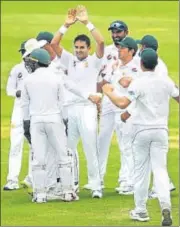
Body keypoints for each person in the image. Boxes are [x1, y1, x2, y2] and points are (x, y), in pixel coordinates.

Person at [102, 48, 179, 226]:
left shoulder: (138, 83)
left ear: (142, 64)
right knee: (160, 170)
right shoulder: (165, 81)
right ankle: (165, 206)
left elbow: (122, 103)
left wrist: (109, 92)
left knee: (141, 173)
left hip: (141, 132)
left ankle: (141, 210)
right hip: (161, 131)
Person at [51, 5, 104, 198]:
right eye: (77, 47)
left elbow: (101, 42)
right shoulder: (68, 60)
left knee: (90, 146)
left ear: (88, 49)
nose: (79, 50)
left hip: (87, 108)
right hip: (70, 109)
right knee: (69, 149)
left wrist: (86, 22)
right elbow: (54, 43)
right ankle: (70, 185)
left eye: (82, 48)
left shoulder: (95, 61)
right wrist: (66, 25)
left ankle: (96, 185)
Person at [21, 48, 86, 203]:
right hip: (54, 119)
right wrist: (64, 121)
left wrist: (26, 124)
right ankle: (68, 192)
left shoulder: (28, 80)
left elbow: (24, 104)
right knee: (63, 157)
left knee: (39, 158)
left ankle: (41, 194)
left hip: (36, 120)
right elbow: (62, 102)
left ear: (37, 62)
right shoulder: (56, 78)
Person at [83, 20, 129, 190]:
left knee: (125, 141)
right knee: (102, 139)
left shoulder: (132, 52)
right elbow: (98, 77)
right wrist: (97, 99)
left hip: (125, 102)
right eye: (113, 32)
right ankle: (97, 179)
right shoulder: (107, 52)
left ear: (126, 32)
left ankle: (125, 180)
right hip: (107, 102)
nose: (116, 35)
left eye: (119, 32)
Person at [134, 35, 176, 198]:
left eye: (140, 47)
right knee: (157, 158)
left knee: (148, 157)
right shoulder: (157, 63)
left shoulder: (154, 68)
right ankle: (164, 186)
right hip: (159, 118)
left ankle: (156, 191)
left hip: (149, 117)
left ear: (144, 48)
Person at [3, 41, 37, 190]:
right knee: (15, 144)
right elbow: (10, 90)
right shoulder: (17, 69)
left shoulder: (39, 68)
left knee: (34, 145)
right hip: (19, 109)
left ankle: (31, 177)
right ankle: (12, 179)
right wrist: (21, 93)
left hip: (35, 110)